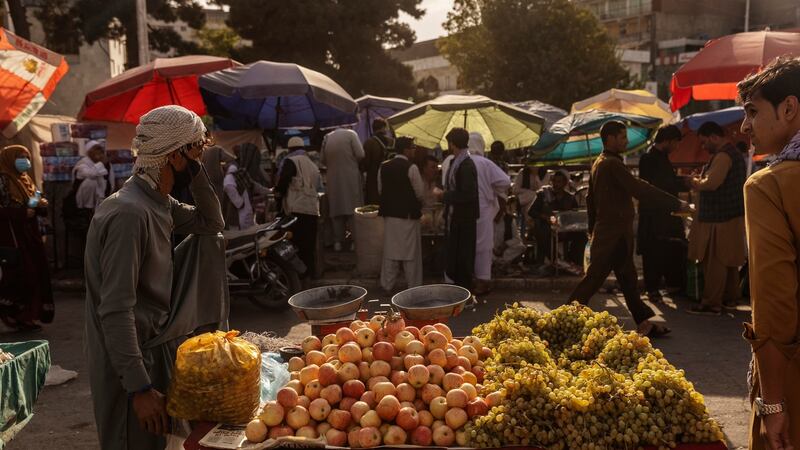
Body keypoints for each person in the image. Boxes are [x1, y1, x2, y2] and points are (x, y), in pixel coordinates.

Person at [84, 106, 225, 450]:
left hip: (153, 352)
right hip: (131, 369)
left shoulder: (157, 201)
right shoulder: (129, 213)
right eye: (197, 150)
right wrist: (139, 389)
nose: (201, 155)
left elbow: (211, 224)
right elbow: (116, 309)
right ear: (176, 155)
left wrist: (196, 173)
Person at [569, 121, 686, 337]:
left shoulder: (601, 162)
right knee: (593, 279)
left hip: (613, 234)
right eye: (622, 137)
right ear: (610, 139)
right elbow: (639, 188)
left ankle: (644, 322)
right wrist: (676, 204)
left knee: (628, 280)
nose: (626, 141)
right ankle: (563, 317)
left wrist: (592, 228)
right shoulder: (610, 164)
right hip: (612, 235)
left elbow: (590, 200)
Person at [738, 55, 800, 450]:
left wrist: (773, 402)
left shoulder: (768, 186)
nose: (745, 127)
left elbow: (775, 303)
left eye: (753, 112)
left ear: (790, 108)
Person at [687, 121, 747, 315]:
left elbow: (711, 183)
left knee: (714, 261)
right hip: (730, 215)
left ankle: (711, 303)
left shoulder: (722, 156)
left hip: (719, 216)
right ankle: (730, 298)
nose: (703, 147)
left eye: (704, 142)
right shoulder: (731, 154)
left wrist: (694, 182)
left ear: (714, 137)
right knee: (728, 260)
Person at [0, 145, 54, 331]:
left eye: (26, 157)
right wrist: (23, 212)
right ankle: (16, 315)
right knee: (22, 274)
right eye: (20, 157)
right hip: (12, 235)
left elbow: (34, 200)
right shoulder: (3, 179)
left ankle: (30, 314)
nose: (25, 161)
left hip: (30, 233)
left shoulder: (25, 179)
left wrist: (38, 206)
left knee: (36, 272)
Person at [637, 125, 690, 301]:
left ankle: (671, 285)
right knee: (653, 251)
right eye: (675, 143)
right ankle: (652, 289)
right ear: (666, 141)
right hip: (653, 214)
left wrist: (684, 182)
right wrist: (681, 184)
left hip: (667, 212)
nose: (676, 147)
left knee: (669, 248)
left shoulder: (663, 158)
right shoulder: (648, 159)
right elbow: (658, 186)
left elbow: (669, 182)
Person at [378, 137, 424, 292]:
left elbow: (380, 190)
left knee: (390, 253)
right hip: (408, 216)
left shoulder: (383, 167)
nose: (414, 150)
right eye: (412, 147)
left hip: (390, 216)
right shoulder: (412, 168)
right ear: (405, 149)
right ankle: (414, 287)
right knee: (411, 255)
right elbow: (419, 193)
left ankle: (387, 285)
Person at [468, 132, 511, 294]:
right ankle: (483, 280)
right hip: (484, 209)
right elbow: (505, 182)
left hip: (466, 210)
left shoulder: (460, 162)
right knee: (484, 247)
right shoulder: (485, 163)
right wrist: (492, 189)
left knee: (469, 245)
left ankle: (471, 279)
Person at [275, 137, 321, 279]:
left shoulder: (290, 161)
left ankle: (298, 274)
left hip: (296, 210)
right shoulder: (313, 165)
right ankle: (310, 273)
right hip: (312, 209)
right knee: (309, 244)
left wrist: (278, 195)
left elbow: (283, 182)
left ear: (289, 149)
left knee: (296, 243)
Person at [441, 128, 478, 289]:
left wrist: (444, 195)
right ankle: (458, 291)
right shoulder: (456, 162)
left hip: (464, 217)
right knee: (455, 257)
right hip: (456, 217)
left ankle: (465, 293)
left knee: (463, 257)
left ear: (452, 144)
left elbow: (468, 194)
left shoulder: (466, 164)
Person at [528, 170, 585, 266]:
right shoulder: (543, 194)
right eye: (554, 181)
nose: (556, 184)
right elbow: (531, 211)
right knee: (542, 231)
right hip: (547, 228)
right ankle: (556, 260)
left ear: (565, 183)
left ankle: (575, 262)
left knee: (581, 236)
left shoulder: (570, 198)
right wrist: (545, 217)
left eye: (559, 182)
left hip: (565, 229)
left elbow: (574, 215)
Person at [321, 127, 365, 251]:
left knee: (336, 210)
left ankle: (337, 243)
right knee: (353, 210)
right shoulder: (351, 134)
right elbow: (361, 154)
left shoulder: (327, 137)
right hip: (350, 177)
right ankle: (354, 242)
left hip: (333, 179)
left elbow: (322, 159)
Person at [223, 145, 270, 230]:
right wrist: (239, 203)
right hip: (237, 214)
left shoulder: (243, 172)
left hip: (247, 211)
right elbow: (228, 185)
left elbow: (253, 185)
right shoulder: (234, 168)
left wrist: (270, 191)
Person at [73, 140, 115, 210]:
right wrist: (101, 164)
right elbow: (91, 174)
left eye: (100, 151)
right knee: (91, 181)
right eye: (96, 151)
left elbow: (111, 180)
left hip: (101, 196)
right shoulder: (82, 163)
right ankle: (88, 208)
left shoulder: (106, 163)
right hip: (84, 197)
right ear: (89, 153)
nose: (99, 154)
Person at [362, 118, 393, 205]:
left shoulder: (368, 142)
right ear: (383, 127)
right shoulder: (391, 142)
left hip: (373, 179)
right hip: (389, 178)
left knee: (373, 206)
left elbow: (365, 164)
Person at [493, 196, 527, 274]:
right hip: (490, 250)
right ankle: (498, 263)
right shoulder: (487, 219)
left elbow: (517, 239)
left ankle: (500, 263)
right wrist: (492, 248)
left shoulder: (510, 219)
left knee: (520, 246)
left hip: (504, 251)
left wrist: (505, 245)